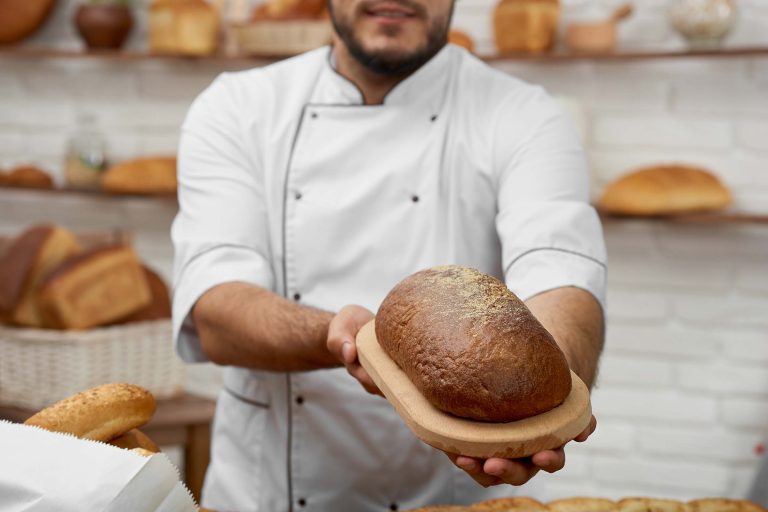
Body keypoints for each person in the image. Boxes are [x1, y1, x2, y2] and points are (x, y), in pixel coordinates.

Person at [171, 0, 607, 508]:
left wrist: (540, 401)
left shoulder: (524, 114)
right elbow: (215, 311)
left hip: (448, 494)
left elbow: (561, 272)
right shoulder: (237, 106)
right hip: (266, 491)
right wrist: (348, 337)